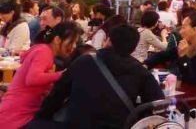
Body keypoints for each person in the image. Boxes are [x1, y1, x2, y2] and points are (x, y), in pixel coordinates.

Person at [32, 25, 164, 129]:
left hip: (78, 125)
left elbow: (57, 94)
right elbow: (157, 104)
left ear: (108, 40)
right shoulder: (140, 71)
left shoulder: (84, 61)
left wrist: (41, 117)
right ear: (133, 47)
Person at [0, 22, 82, 129]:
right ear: (57, 40)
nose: (74, 46)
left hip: (16, 113)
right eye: (72, 41)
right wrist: (62, 75)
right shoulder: (43, 51)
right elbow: (32, 79)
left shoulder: (44, 51)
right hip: (16, 116)